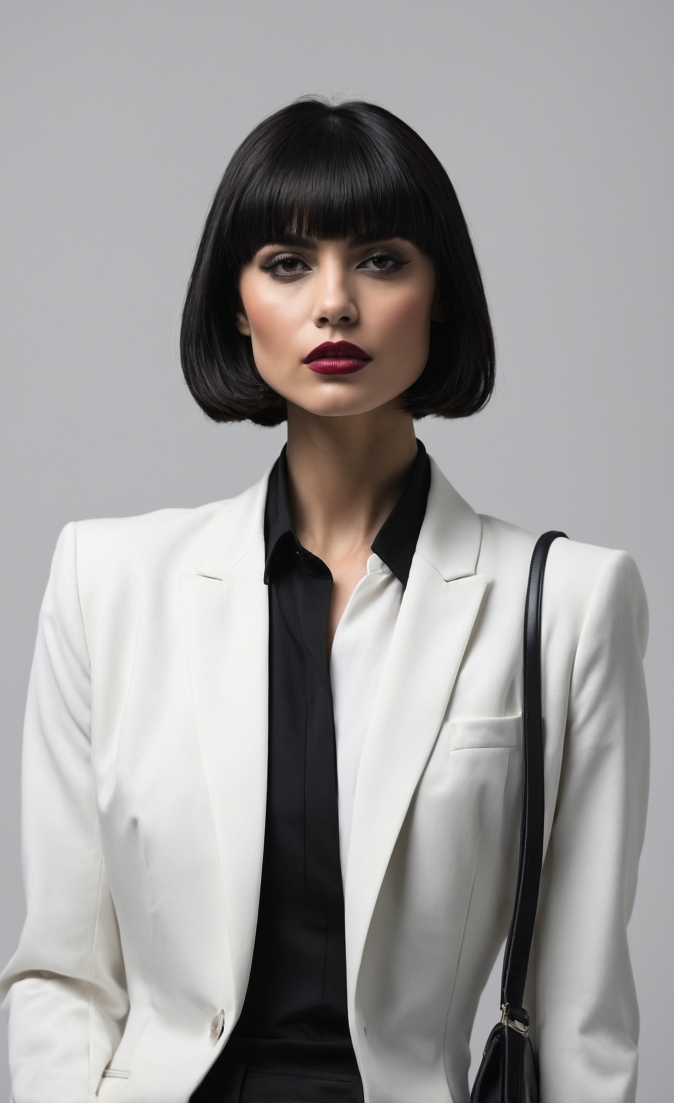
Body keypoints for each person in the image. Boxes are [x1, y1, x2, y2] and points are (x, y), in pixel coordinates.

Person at [0, 99, 649, 1103]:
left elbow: (579, 1019)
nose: (335, 304)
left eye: (381, 260)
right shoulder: (106, 582)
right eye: (288, 263)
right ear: (235, 304)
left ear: (440, 296)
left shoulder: (566, 604)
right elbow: (62, 977)